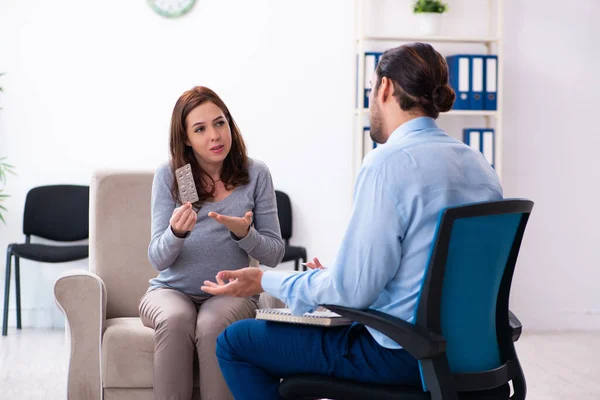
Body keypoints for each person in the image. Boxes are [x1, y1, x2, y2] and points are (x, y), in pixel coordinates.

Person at [201, 42, 504, 400]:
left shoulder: (387, 164)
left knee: (237, 341)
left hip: (402, 355)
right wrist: (334, 277)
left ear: (386, 87)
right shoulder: (479, 164)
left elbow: (351, 291)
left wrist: (264, 279)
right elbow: (428, 274)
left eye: (373, 88)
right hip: (473, 355)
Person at [139, 86, 285, 400]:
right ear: (187, 139)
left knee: (212, 326)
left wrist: (244, 234)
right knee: (176, 320)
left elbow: (274, 253)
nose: (214, 136)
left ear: (230, 124)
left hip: (229, 291)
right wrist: (176, 234)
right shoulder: (171, 176)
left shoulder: (255, 173)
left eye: (220, 123)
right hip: (170, 290)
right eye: (200, 129)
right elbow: (157, 259)